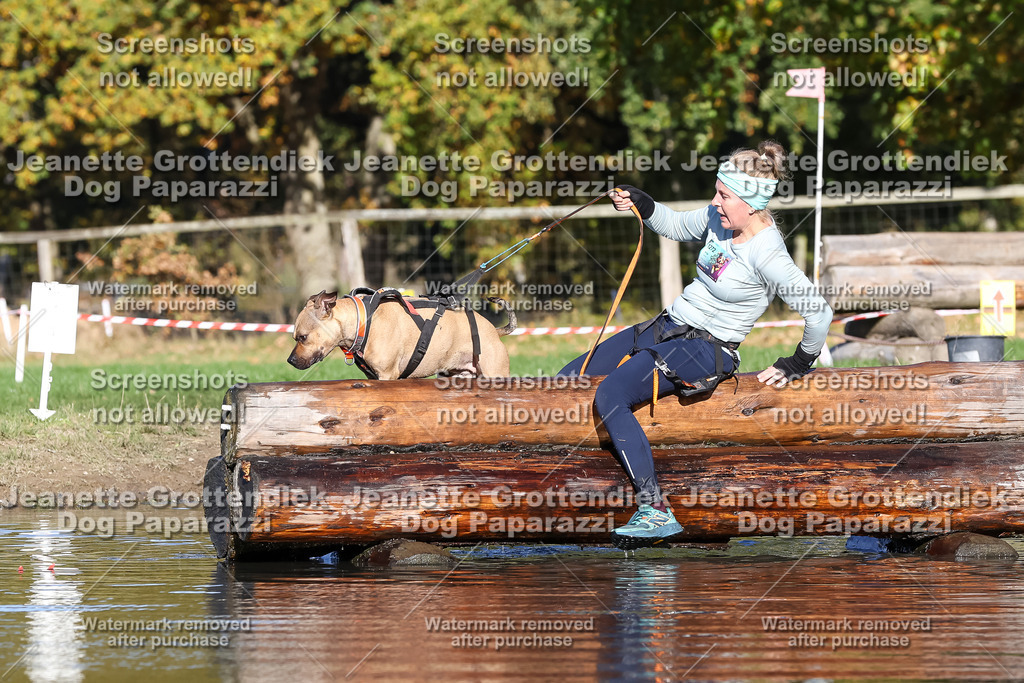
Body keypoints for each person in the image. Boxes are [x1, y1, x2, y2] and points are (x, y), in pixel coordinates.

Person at [558, 141, 832, 549]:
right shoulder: (718, 220)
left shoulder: (768, 254)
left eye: (724, 195)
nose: (714, 202)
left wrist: (798, 362)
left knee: (612, 392)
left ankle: (654, 510)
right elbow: (673, 224)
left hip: (707, 349)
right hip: (668, 325)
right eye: (716, 191)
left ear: (753, 203)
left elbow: (819, 313)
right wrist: (641, 201)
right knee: (566, 381)